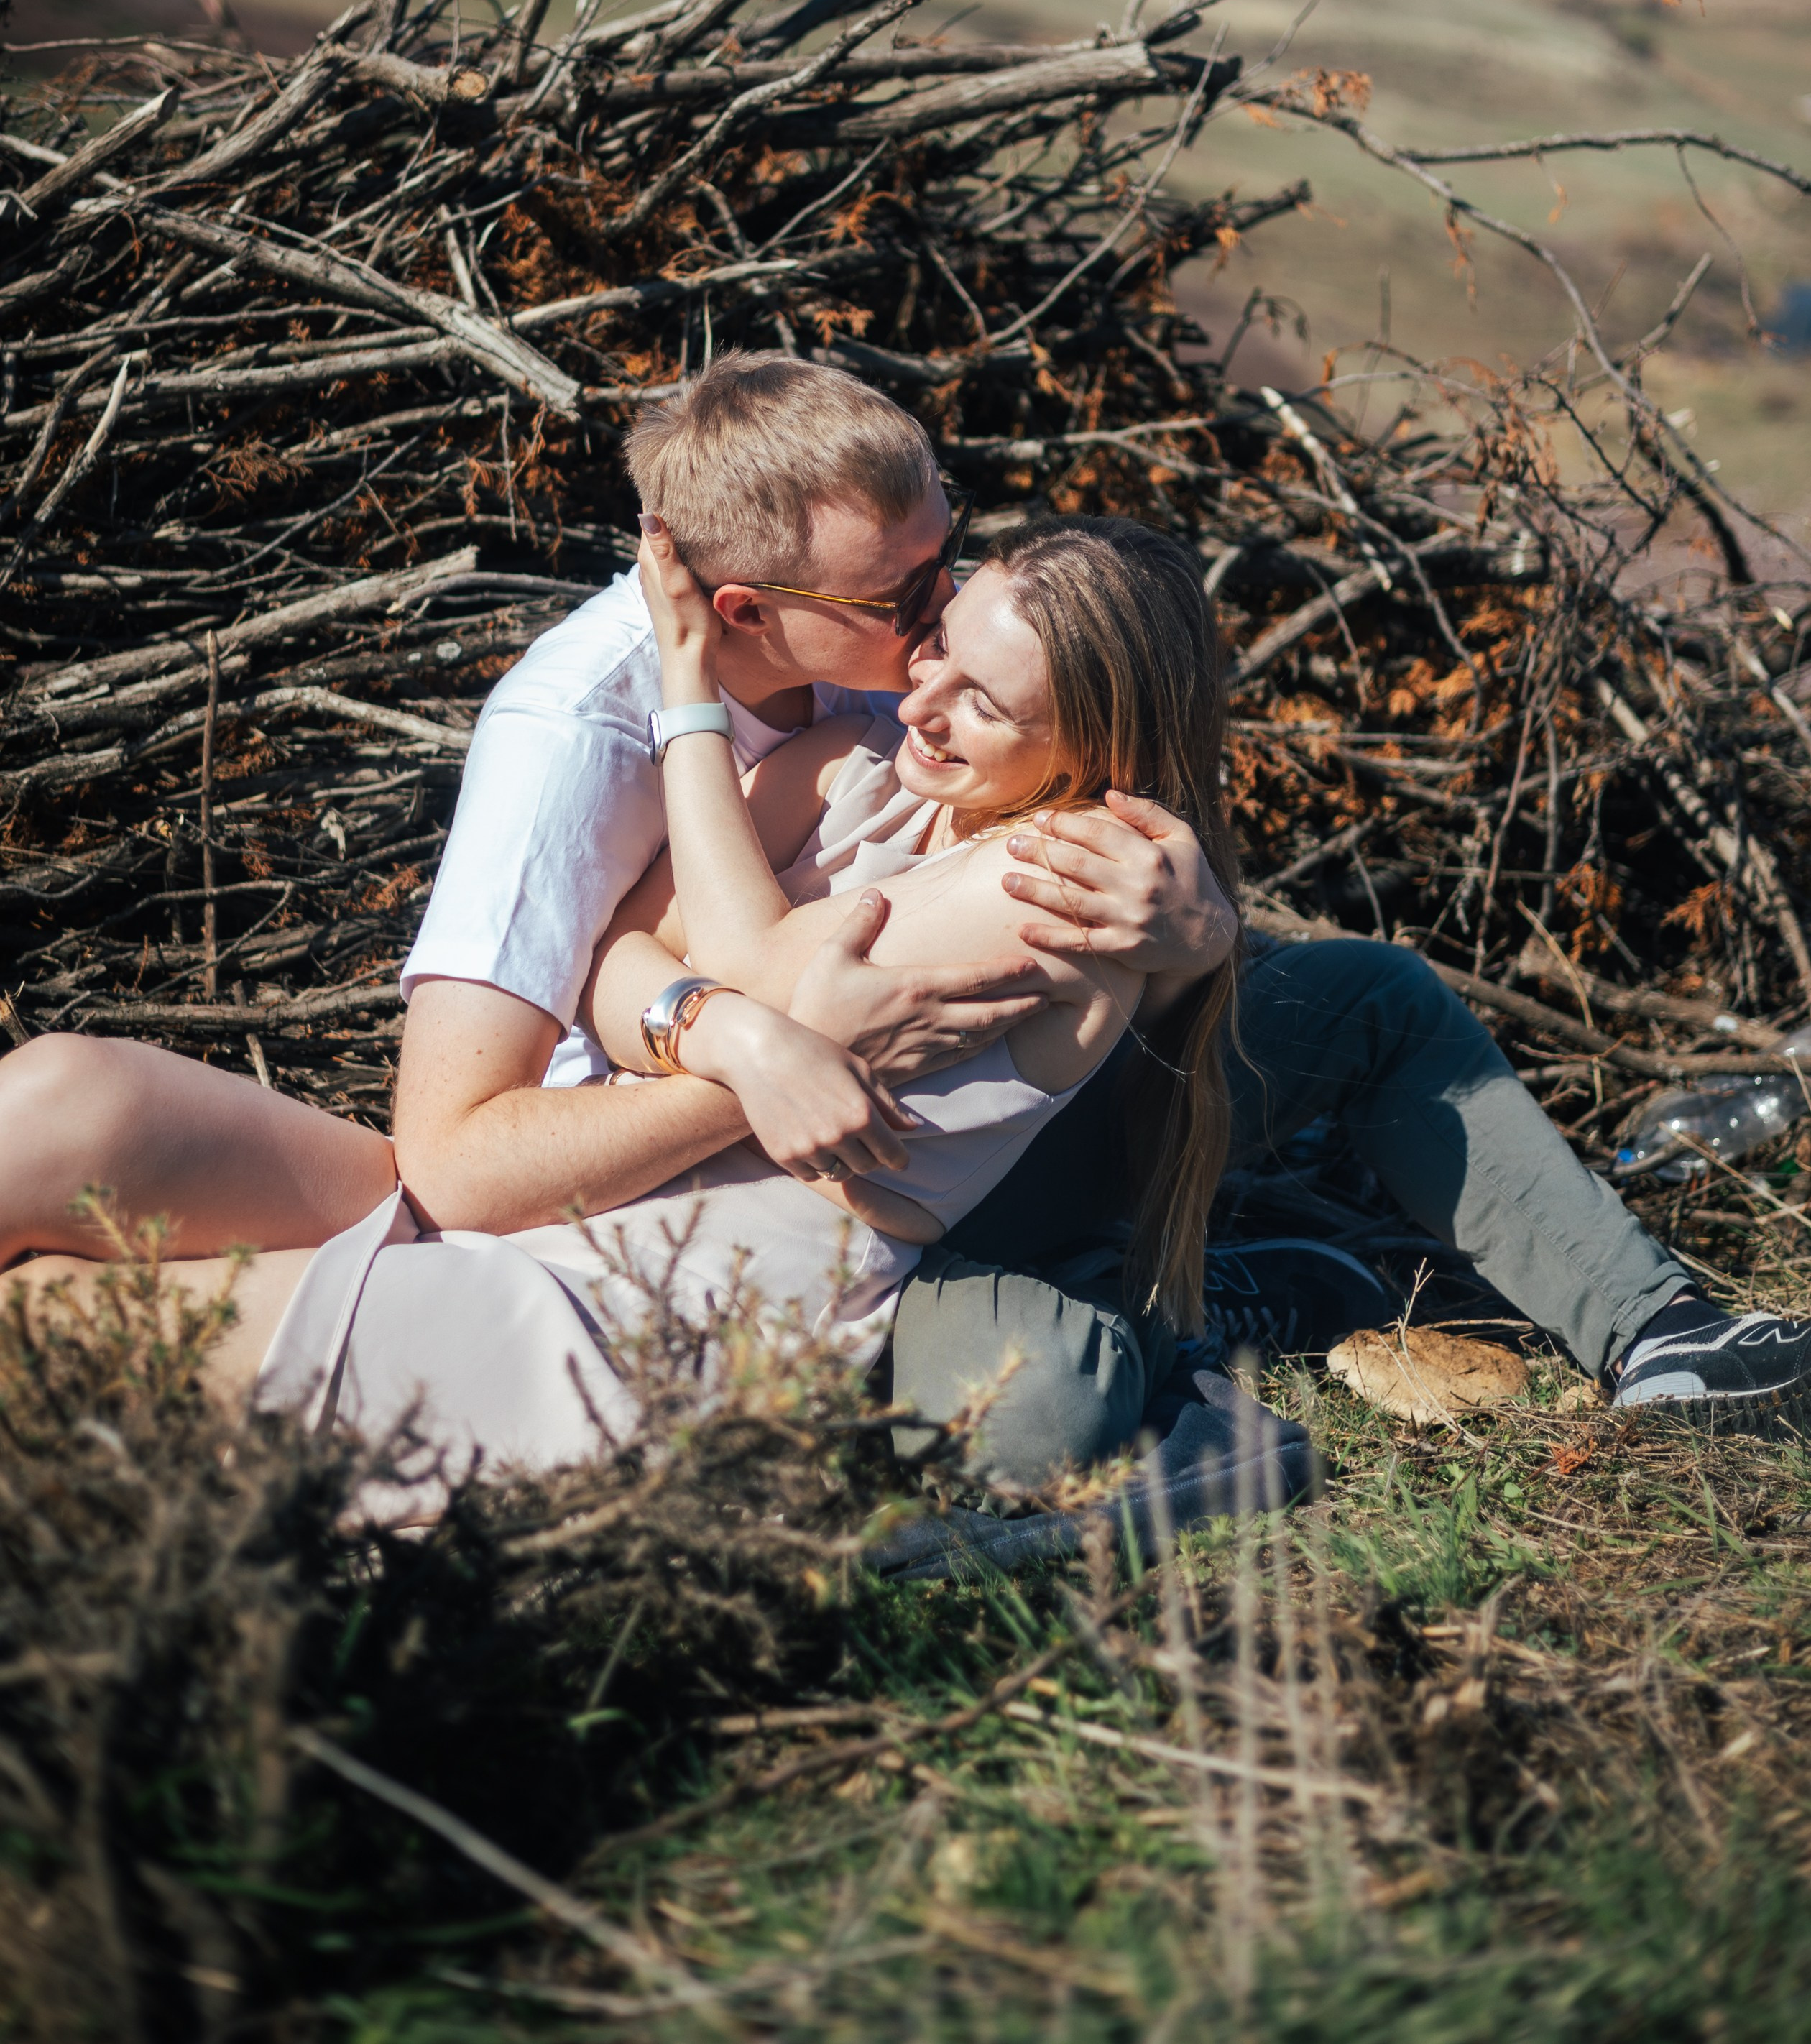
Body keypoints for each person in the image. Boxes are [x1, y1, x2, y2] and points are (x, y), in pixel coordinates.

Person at [1, 352, 1805, 1457]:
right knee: (1047, 1389)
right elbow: (485, 1129)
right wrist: (738, 1039)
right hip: (650, 1182)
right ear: (743, 611)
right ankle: (1232, 1280)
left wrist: (1196, 930)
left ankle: (1648, 1334)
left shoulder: (914, 692)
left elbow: (1033, 781)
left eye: (951, 568)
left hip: (871, 1166)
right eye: (907, 607)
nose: (932, 644)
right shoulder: (598, 736)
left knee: (1359, 1014)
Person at [252, 509, 1243, 1465]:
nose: (918, 704)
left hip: (732, 1268)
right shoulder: (864, 767)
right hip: (625, 1192)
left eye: (985, 704)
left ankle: (1200, 1302)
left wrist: (688, 693)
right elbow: (616, 953)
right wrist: (740, 1039)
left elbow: (742, 958)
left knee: (278, 1351)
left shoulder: (1046, 879)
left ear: (1104, 750)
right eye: (939, 643)